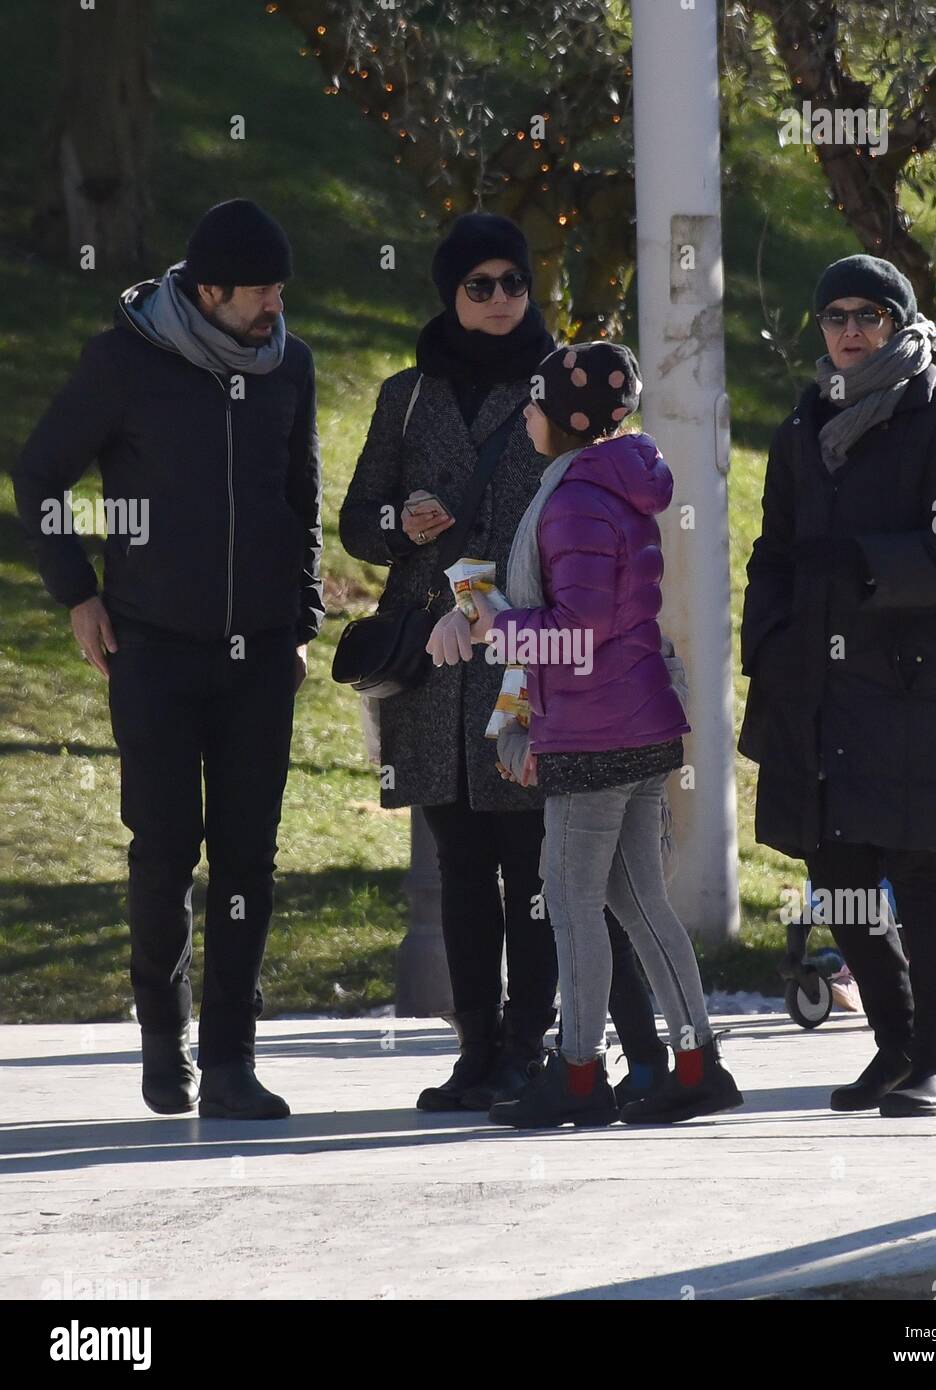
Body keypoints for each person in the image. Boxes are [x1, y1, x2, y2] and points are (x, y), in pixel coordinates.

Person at [13, 199, 323, 1120]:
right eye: (260, 294)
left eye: (281, 292)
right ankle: (164, 1039)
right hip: (151, 649)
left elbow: (300, 499)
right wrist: (78, 592)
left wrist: (300, 620)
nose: (274, 309)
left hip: (261, 653)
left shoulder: (288, 366)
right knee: (163, 851)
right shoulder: (126, 360)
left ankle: (231, 1057)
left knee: (248, 859)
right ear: (210, 290)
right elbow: (39, 475)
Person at [430, 341, 744, 1128]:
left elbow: (579, 628)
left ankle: (575, 1076)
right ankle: (697, 1064)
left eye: (534, 405)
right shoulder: (616, 485)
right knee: (640, 904)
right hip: (634, 722)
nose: (525, 417)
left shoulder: (573, 499)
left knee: (569, 905)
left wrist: (491, 623)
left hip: (595, 734)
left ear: (567, 420)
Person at [739, 254, 936, 1117]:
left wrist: (864, 564)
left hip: (923, 687)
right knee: (840, 872)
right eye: (836, 316)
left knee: (921, 874)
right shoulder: (801, 428)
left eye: (871, 316)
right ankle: (894, 1047)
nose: (851, 330)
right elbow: (773, 554)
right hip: (821, 684)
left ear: (900, 323)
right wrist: (768, 645)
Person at [340, 214, 561, 1109]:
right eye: (481, 286)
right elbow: (357, 520)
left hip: (526, 654)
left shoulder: (561, 384)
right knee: (459, 864)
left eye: (514, 283)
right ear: (450, 294)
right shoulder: (410, 396)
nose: (502, 299)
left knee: (533, 862)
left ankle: (531, 1046)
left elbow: (599, 501)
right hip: (433, 665)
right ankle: (477, 1050)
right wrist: (401, 524)